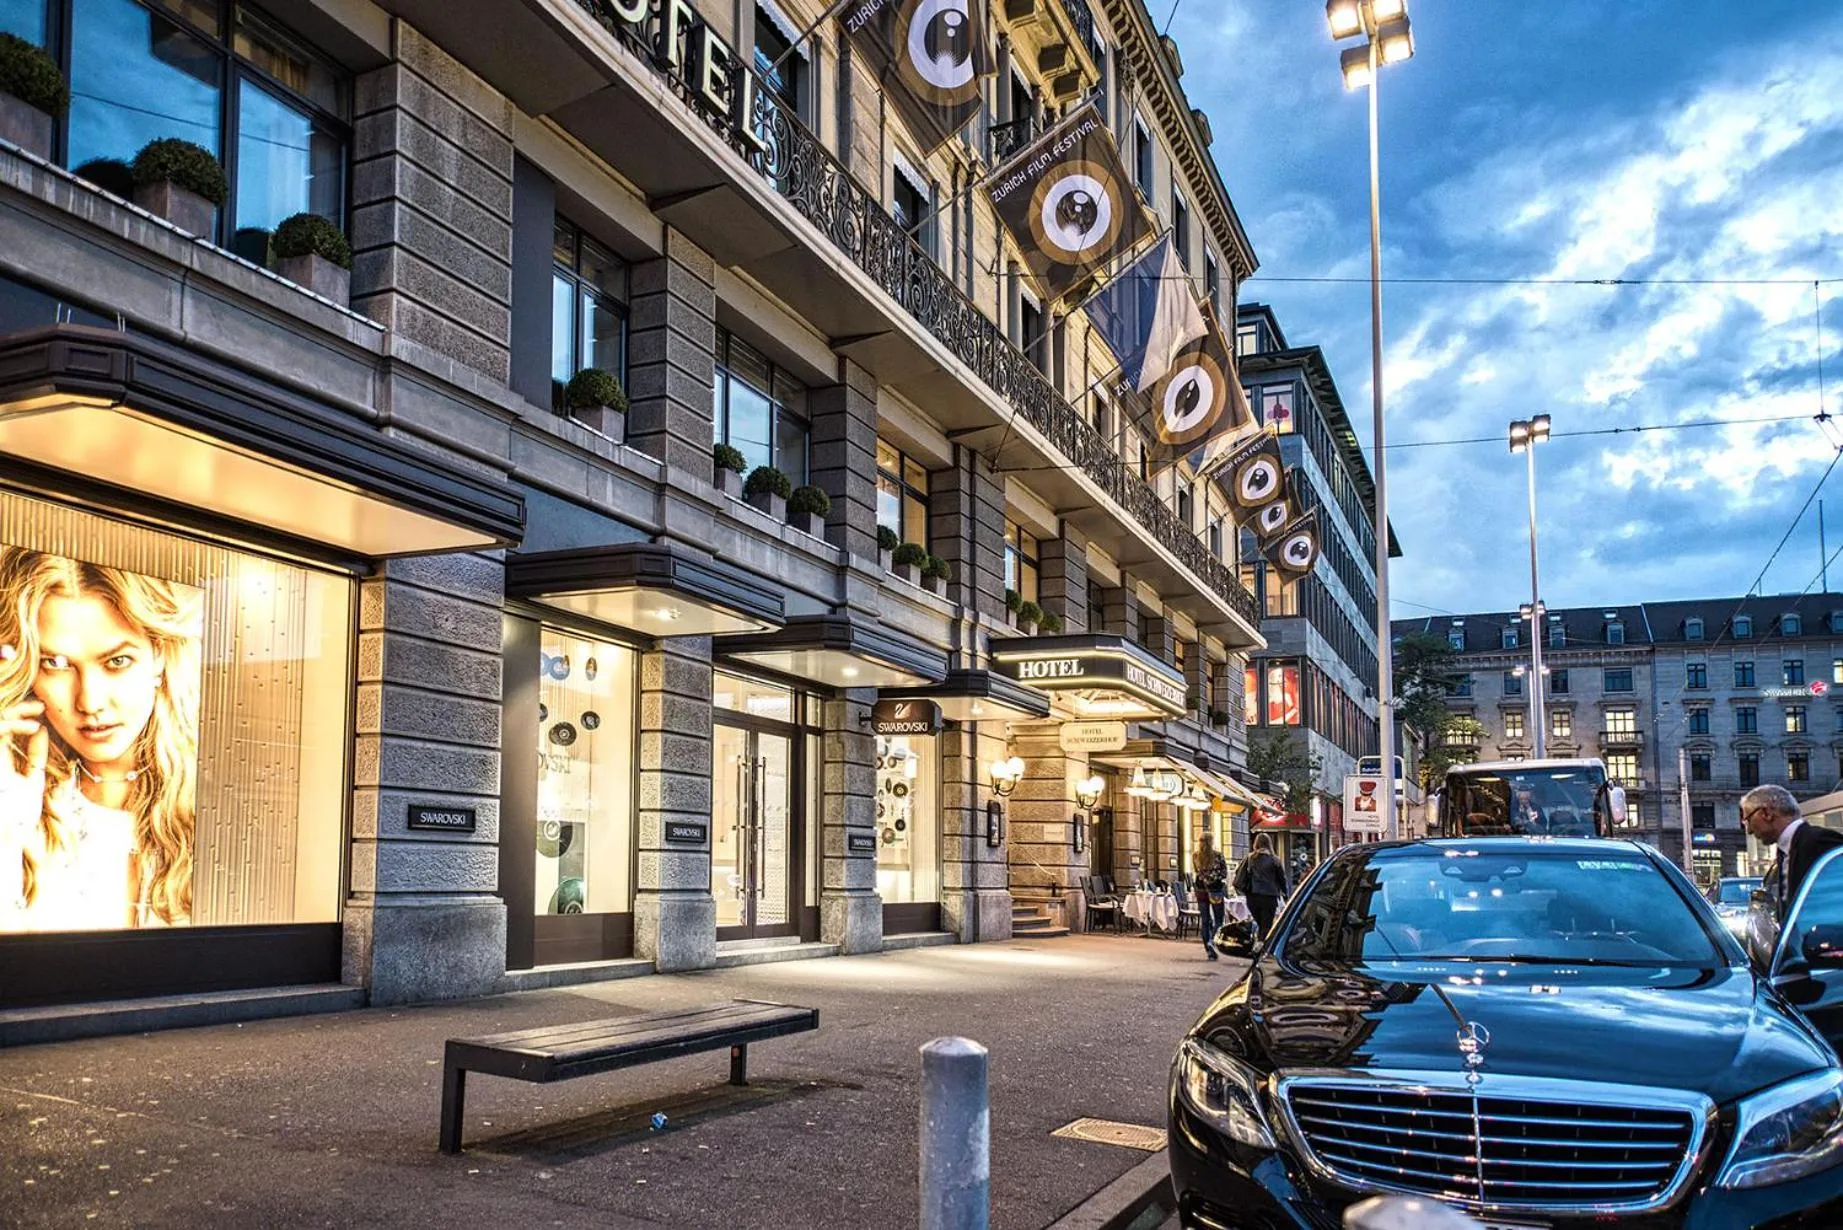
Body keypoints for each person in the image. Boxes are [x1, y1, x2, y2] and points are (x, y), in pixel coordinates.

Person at [0, 548, 202, 933]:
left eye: (117, 661)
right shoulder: (15, 798)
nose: (90, 701)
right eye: (55, 664)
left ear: (159, 655)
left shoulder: (217, 802)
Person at [1743, 783, 1843, 915]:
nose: (1749, 830)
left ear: (1766, 813)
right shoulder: (1784, 852)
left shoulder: (1818, 842)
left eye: (1748, 820)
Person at [1235, 833, 1289, 937]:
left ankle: (1260, 941)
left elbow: (1239, 874)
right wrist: (1286, 895)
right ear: (1269, 844)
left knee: (1260, 924)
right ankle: (1262, 943)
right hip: (1270, 897)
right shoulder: (1275, 860)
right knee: (1266, 925)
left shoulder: (1249, 858)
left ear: (1256, 844)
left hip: (1252, 896)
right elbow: (1282, 879)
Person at [1193, 832, 1228, 961]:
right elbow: (1224, 873)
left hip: (1201, 890)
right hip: (1215, 890)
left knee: (1205, 920)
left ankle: (1208, 951)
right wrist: (1214, 877)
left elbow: (1196, 871)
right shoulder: (1218, 855)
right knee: (1219, 919)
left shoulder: (1195, 856)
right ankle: (1212, 941)